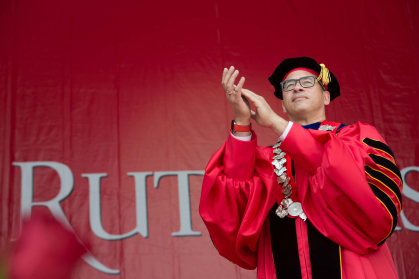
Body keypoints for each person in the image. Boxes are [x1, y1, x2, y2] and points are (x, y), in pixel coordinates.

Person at [199, 57, 402, 279]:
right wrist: (242, 119)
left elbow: (343, 172)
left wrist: (276, 124)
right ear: (284, 105)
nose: (296, 87)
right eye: (288, 86)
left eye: (307, 81)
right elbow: (233, 194)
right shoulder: (266, 160)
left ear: (326, 96)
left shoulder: (358, 138)